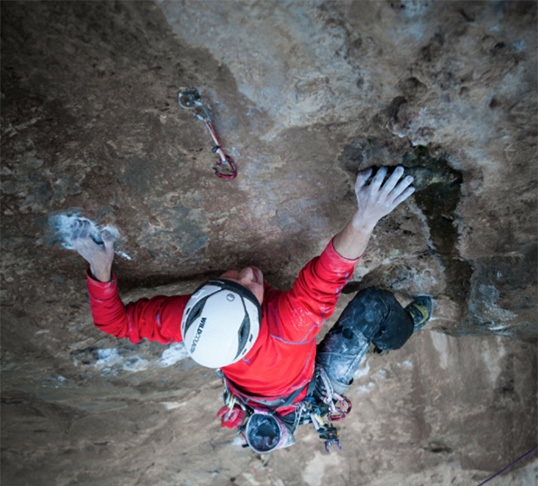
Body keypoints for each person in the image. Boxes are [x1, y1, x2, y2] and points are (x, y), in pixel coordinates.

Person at [72, 166, 432, 452]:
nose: (248, 274)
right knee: (374, 305)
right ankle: (405, 327)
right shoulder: (288, 326)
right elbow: (330, 273)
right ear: (257, 319)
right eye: (249, 290)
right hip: (306, 389)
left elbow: (113, 322)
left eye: (231, 282)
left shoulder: (191, 319)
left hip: (262, 394)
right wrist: (366, 217)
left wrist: (100, 268)